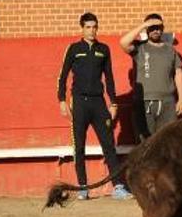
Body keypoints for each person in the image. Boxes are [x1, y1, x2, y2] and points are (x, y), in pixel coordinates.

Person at [57, 13, 133, 201]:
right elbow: (63, 76)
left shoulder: (103, 49)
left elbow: (109, 78)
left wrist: (113, 102)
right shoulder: (74, 49)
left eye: (94, 27)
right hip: (79, 102)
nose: (92, 30)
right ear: (82, 28)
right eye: (88, 27)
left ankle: (118, 187)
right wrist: (62, 100)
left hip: (98, 102)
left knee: (109, 145)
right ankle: (83, 187)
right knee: (79, 146)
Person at [120, 14, 182, 135]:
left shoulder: (170, 50)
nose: (155, 30)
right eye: (152, 27)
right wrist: (144, 25)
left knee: (168, 141)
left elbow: (178, 73)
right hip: (144, 101)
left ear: (162, 28)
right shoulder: (140, 47)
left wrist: (181, 98)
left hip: (168, 103)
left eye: (158, 27)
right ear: (147, 29)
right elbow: (123, 42)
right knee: (145, 143)